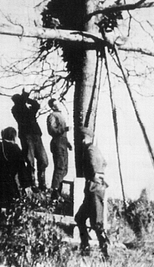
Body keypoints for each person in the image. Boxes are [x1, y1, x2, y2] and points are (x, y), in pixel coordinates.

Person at [0, 127, 32, 225]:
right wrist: (26, 185)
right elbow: (21, 169)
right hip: (10, 185)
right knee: (11, 209)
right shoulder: (16, 149)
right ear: (14, 136)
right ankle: (9, 229)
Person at [74, 127, 109, 258]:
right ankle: (85, 246)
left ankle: (105, 251)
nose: (82, 141)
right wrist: (100, 174)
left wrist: (95, 175)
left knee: (96, 223)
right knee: (80, 218)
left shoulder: (89, 150)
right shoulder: (96, 149)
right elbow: (105, 163)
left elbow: (93, 164)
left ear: (87, 138)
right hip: (94, 189)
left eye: (83, 138)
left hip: (94, 189)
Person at [11, 89, 49, 191]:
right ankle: (33, 184)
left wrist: (28, 98)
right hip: (26, 136)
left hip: (36, 135)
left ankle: (42, 183)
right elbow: (22, 105)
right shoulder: (16, 109)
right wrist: (26, 97)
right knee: (30, 161)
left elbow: (36, 105)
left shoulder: (28, 110)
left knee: (44, 161)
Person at [47, 98, 72, 200]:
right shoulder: (52, 116)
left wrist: (68, 143)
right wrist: (64, 129)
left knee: (64, 169)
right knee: (59, 167)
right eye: (56, 104)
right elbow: (51, 130)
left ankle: (57, 193)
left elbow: (63, 134)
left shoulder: (61, 116)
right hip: (57, 144)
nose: (59, 105)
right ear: (53, 107)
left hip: (63, 143)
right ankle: (55, 193)